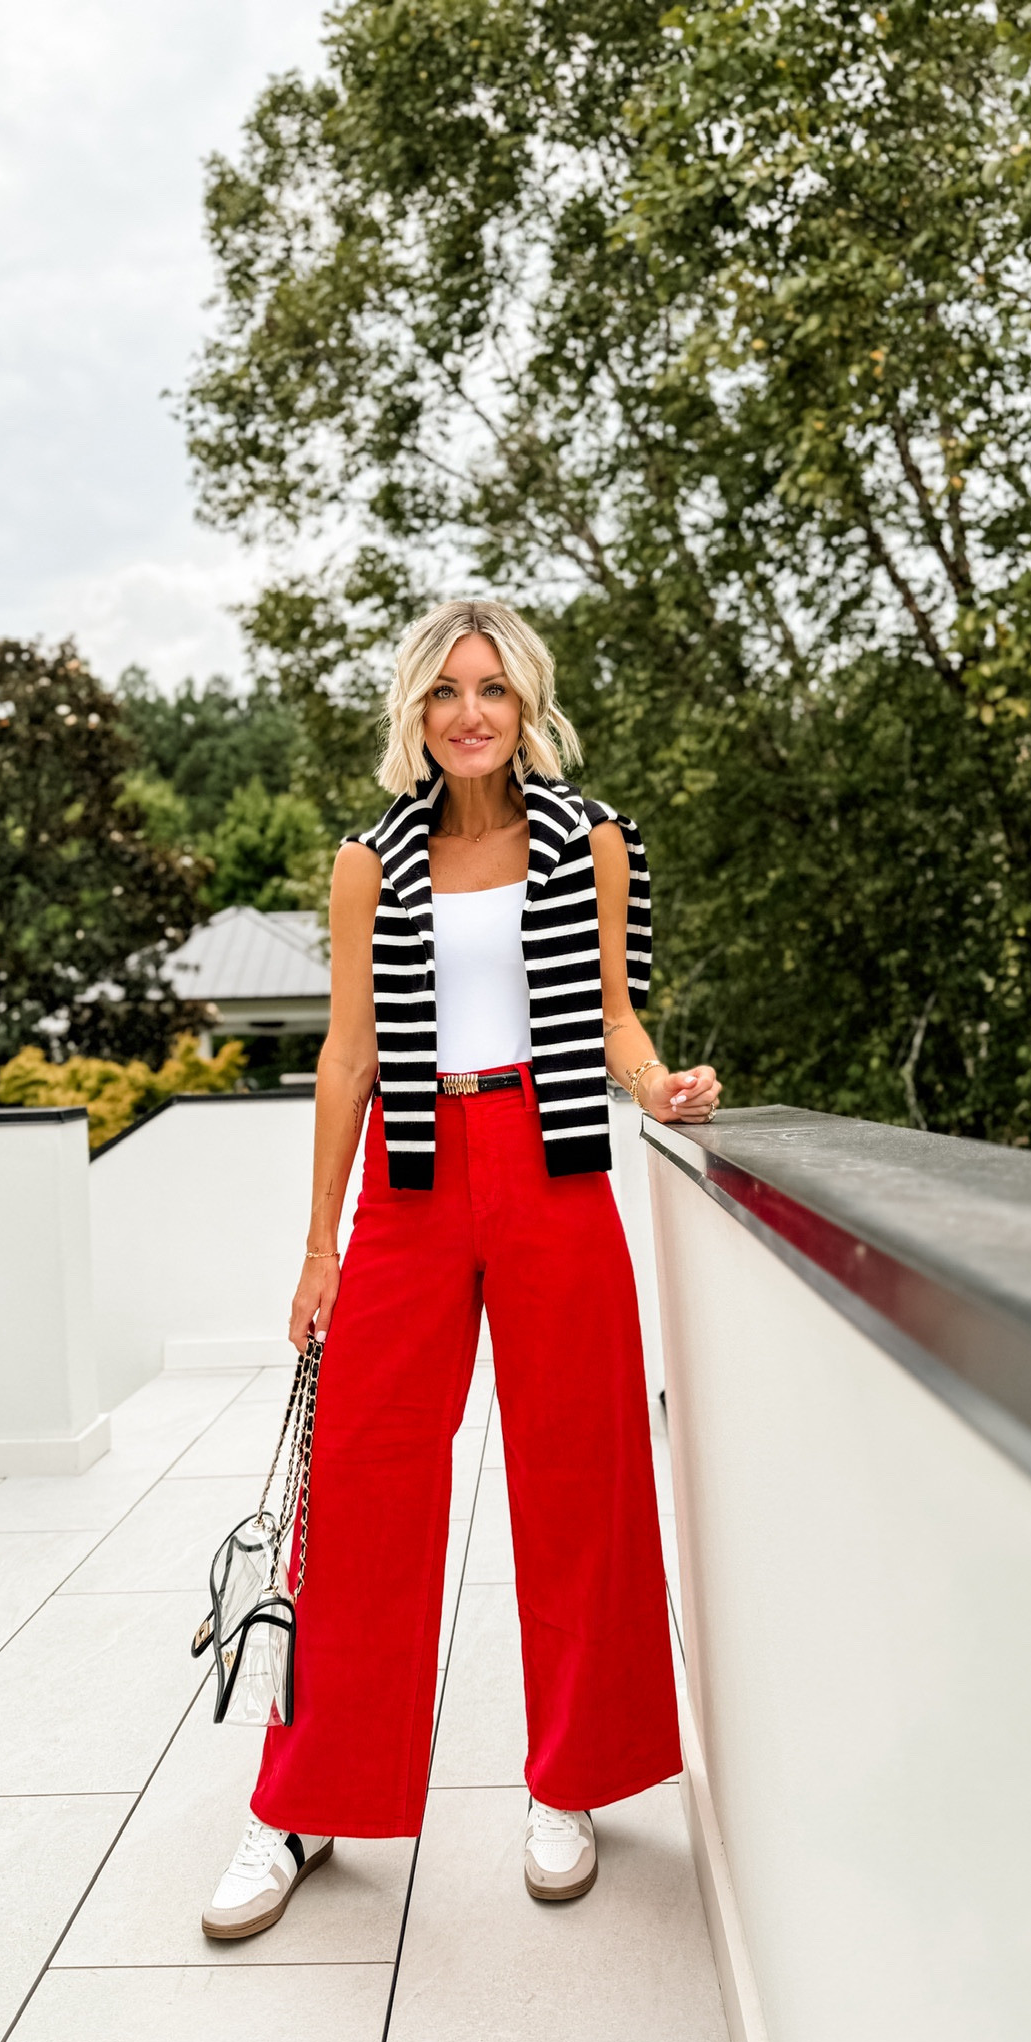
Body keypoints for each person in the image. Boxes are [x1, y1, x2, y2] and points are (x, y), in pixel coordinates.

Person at [201, 598, 721, 1939]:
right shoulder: (369, 861)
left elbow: (613, 1015)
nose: (470, 712)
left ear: (525, 702)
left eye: (491, 687)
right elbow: (348, 1058)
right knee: (361, 1484)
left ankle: (573, 1783)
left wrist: (660, 1086)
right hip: (413, 1179)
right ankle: (302, 1804)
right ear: (416, 713)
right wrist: (320, 1244)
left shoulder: (590, 840)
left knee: (582, 1478)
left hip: (552, 1168)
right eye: (445, 690)